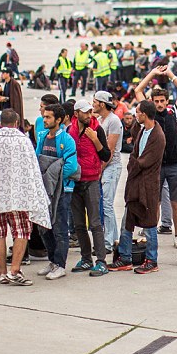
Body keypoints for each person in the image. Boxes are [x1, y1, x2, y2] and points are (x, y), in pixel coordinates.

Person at [0, 109, 52, 286]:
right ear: (16, 123)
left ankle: (2, 272)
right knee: (21, 231)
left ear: (0, 123)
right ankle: (15, 270)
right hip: (19, 197)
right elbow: (32, 170)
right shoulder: (24, 142)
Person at [135, 67, 177, 246]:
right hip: (156, 165)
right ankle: (151, 235)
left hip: (174, 164)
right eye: (156, 101)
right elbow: (138, 90)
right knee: (154, 202)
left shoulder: (173, 111)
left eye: (162, 101)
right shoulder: (149, 114)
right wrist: (153, 73)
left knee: (175, 202)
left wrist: (170, 75)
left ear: (167, 101)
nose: (159, 104)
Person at [120, 99, 167, 274]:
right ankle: (124, 258)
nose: (135, 115)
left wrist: (133, 163)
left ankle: (151, 260)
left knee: (149, 224)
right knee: (127, 221)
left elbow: (142, 162)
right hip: (135, 185)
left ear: (144, 115)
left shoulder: (158, 136)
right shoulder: (142, 130)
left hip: (147, 187)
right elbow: (134, 156)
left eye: (138, 112)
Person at [34, 103, 78, 280]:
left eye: (48, 117)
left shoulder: (66, 140)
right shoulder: (43, 137)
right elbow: (38, 159)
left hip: (63, 191)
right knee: (45, 227)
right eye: (44, 116)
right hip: (45, 190)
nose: (44, 120)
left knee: (60, 227)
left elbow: (71, 166)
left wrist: (54, 178)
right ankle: (52, 260)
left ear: (58, 120)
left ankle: (60, 264)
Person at [68, 99, 111, 276]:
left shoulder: (96, 129)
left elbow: (106, 154)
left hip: (92, 180)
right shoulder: (70, 130)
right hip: (75, 181)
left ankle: (101, 261)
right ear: (76, 114)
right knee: (79, 224)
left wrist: (95, 140)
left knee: (94, 222)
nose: (88, 115)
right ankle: (86, 259)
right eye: (84, 112)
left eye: (89, 111)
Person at [93, 90, 123, 253]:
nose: (93, 104)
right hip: (103, 167)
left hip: (111, 166)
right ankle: (113, 237)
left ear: (102, 104)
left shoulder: (114, 121)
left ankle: (108, 242)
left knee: (107, 204)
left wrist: (100, 169)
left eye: (95, 101)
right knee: (103, 204)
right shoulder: (99, 120)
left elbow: (109, 150)